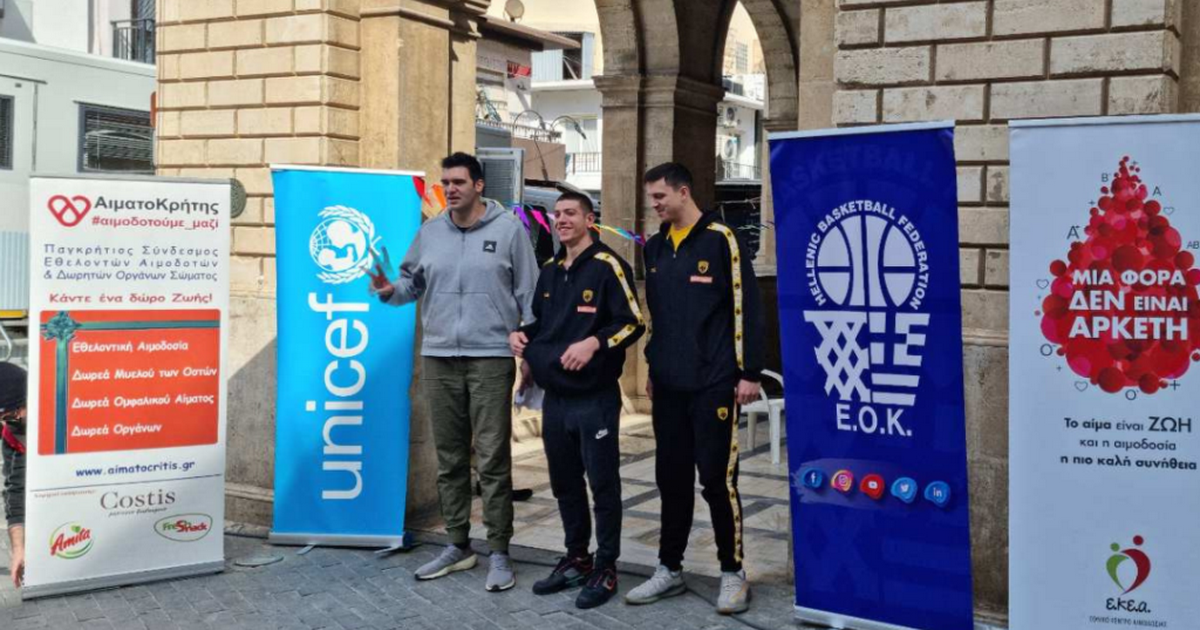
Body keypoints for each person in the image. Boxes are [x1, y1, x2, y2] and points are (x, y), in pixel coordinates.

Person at [367, 152, 539, 592]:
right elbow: (410, 285)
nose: (451, 189)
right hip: (440, 356)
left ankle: (499, 550)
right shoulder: (430, 232)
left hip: (490, 357)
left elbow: (530, 295)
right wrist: (387, 290)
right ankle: (458, 545)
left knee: (493, 458)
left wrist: (531, 352)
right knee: (450, 458)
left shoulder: (509, 230)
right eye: (446, 182)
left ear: (479, 185)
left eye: (459, 182)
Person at [625, 163, 765, 614]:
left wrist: (749, 372)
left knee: (717, 481)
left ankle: (732, 572)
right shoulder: (655, 247)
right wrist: (653, 365)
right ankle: (669, 568)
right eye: (651, 197)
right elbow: (657, 315)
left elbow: (747, 307)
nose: (654, 204)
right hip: (669, 385)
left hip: (714, 383)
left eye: (660, 197)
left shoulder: (723, 239)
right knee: (671, 479)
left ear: (683, 192)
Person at [509, 192, 644, 609]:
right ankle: (577, 557)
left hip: (594, 398)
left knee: (602, 484)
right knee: (565, 484)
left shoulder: (608, 266)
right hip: (555, 399)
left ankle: (606, 566)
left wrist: (594, 342)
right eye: (557, 214)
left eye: (571, 213)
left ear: (589, 219)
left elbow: (633, 323)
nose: (562, 219)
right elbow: (542, 325)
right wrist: (522, 339)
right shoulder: (550, 271)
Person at [0, 362, 27, 589]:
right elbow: (14, 490)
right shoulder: (12, 432)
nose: (7, 423)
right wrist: (19, 549)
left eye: (9, 416)